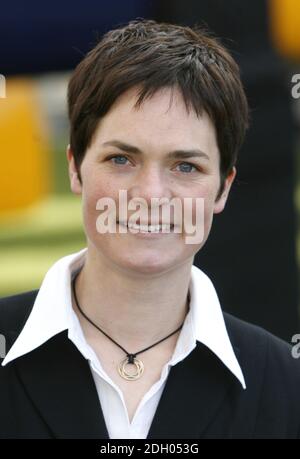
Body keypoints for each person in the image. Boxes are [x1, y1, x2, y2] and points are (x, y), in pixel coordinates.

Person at [0, 19, 299, 440]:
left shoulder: (287, 385)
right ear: (74, 166)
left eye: (185, 166)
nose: (150, 194)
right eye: (122, 159)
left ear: (222, 189)